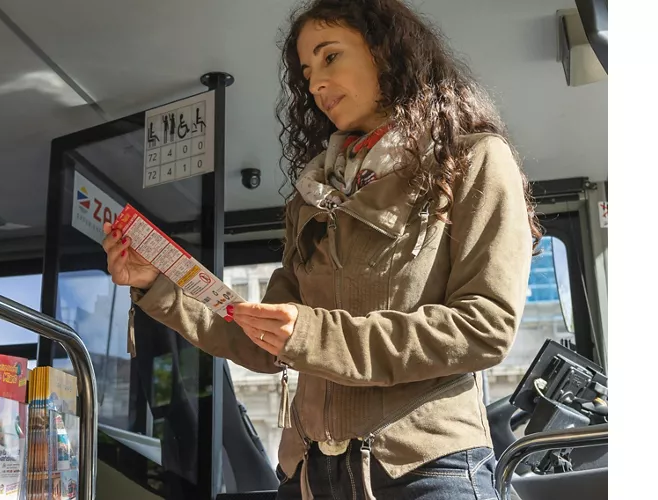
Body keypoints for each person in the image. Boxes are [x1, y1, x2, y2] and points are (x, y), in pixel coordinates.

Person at [102, 0, 540, 497]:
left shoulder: (472, 160)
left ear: (388, 52)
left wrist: (311, 334)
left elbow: (484, 328)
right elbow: (257, 339)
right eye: (306, 72)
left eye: (330, 57)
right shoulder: (312, 197)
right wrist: (158, 285)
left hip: (425, 468)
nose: (314, 84)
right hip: (314, 475)